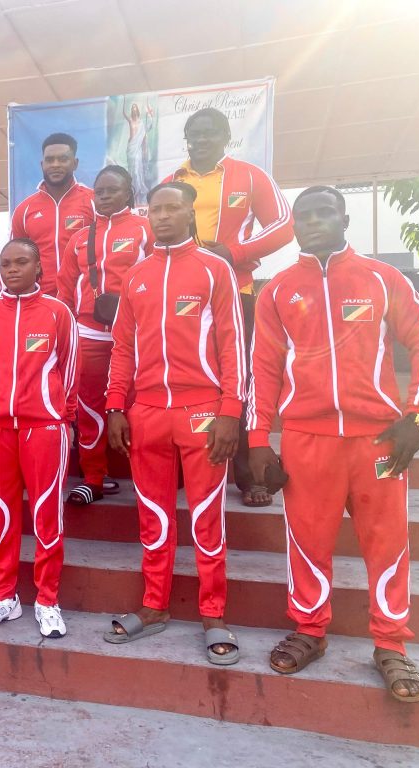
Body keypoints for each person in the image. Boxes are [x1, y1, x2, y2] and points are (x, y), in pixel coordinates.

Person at [247, 186, 419, 703]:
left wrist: (418, 414)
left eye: (324, 213)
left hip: (378, 440)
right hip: (307, 439)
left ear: (345, 220)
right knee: (307, 540)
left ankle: (391, 644)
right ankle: (310, 630)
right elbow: (262, 368)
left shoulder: (382, 278)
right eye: (303, 216)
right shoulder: (277, 291)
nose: (313, 223)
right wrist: (258, 439)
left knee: (387, 541)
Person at [105, 182, 245, 665]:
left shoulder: (214, 269)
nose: (162, 217)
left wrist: (230, 411)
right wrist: (115, 406)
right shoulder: (136, 275)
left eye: (172, 209)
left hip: (203, 412)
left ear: (190, 213)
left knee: (207, 515)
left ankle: (213, 613)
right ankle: (155, 605)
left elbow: (233, 344)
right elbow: (122, 347)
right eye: (155, 210)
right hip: (146, 412)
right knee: (154, 514)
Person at [165, 107, 293, 507]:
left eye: (210, 133)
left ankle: (250, 474)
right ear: (187, 138)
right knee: (186, 374)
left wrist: (232, 253)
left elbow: (284, 226)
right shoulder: (172, 181)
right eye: (195, 134)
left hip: (236, 292)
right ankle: (185, 463)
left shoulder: (250, 176)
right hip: (180, 297)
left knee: (240, 379)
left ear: (225, 137)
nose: (202, 140)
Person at [0, 238, 78, 639]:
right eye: (6, 263)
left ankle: (47, 600)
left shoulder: (57, 313)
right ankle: (2, 597)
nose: (12, 269)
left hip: (45, 427)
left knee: (47, 514)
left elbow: (70, 369)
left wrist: (63, 416)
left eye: (21, 262)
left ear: (39, 268)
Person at [58, 165, 152, 505]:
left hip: (137, 336)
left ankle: (147, 477)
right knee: (90, 408)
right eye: (100, 191)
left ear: (129, 193)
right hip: (89, 334)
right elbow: (65, 289)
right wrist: (65, 332)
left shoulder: (145, 229)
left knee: (139, 408)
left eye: (113, 190)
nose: (106, 196)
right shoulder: (79, 238)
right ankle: (94, 477)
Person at [11, 132, 95, 296]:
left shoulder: (93, 202)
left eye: (63, 159)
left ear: (75, 163)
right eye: (49, 160)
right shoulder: (24, 210)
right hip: (41, 299)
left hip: (83, 298)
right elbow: (16, 256)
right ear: (42, 164)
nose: (55, 165)